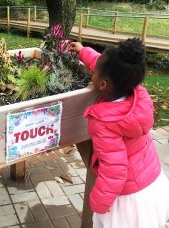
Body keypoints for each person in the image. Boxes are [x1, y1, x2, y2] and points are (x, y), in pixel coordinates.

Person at [68, 37, 169, 228]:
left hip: (129, 200)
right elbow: (102, 63)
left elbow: (114, 170)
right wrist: (82, 51)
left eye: (95, 72)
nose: (93, 71)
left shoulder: (105, 123)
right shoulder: (135, 90)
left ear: (103, 84)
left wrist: (98, 203)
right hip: (151, 179)